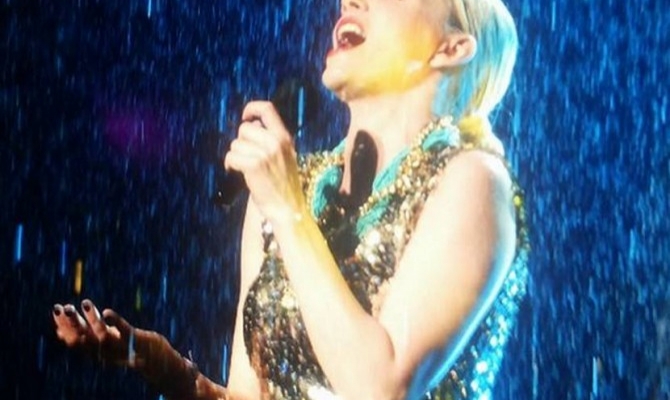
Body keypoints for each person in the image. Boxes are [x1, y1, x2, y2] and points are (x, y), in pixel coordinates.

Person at [52, 0, 528, 398]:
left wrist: (289, 211)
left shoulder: (474, 180)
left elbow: (382, 389)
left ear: (451, 48)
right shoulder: (285, 190)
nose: (350, 1)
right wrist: (166, 368)